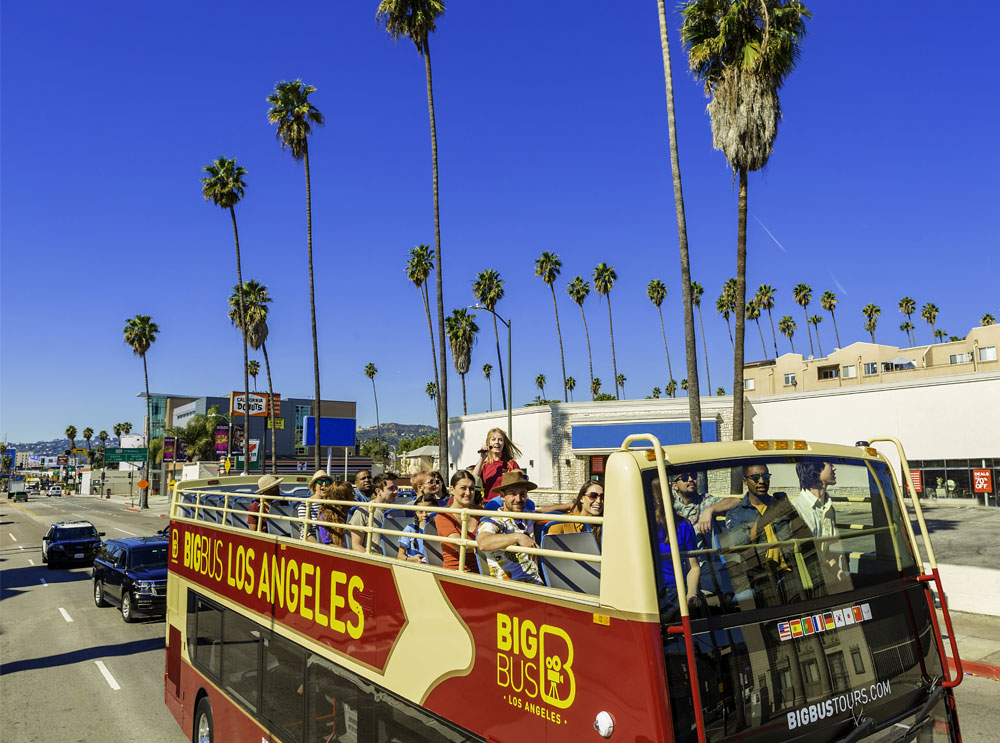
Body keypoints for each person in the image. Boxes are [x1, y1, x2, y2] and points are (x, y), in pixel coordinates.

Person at [477, 470, 544, 584]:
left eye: (522, 494)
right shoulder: (494, 521)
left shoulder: (527, 516)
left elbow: (543, 513)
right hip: (509, 589)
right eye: (513, 494)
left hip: (536, 584)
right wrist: (517, 537)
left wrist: (570, 506)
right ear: (502, 496)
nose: (518, 499)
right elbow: (483, 543)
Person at [651, 478, 701, 620]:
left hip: (673, 591)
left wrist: (690, 594)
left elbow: (693, 567)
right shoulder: (637, 527)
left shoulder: (683, 526)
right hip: (644, 592)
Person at [791, 460, 844, 580]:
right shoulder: (795, 509)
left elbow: (825, 551)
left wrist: (837, 571)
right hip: (805, 579)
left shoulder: (829, 509)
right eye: (830, 464)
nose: (834, 468)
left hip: (824, 575)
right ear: (815, 470)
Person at [670, 472, 740, 538]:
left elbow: (736, 501)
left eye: (693, 475)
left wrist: (709, 510)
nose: (690, 479)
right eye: (684, 477)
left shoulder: (705, 502)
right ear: (675, 486)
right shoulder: (669, 506)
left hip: (703, 550)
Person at [435, 470, 480, 572]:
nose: (468, 493)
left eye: (471, 489)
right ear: (452, 489)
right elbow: (461, 545)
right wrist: (490, 544)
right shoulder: (443, 516)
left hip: (484, 570)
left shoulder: (481, 512)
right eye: (463, 488)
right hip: (457, 572)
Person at [350, 473, 399, 553]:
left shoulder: (399, 510)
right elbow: (356, 545)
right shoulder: (363, 511)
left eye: (396, 488)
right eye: (391, 488)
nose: (396, 491)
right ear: (378, 491)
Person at [547, 481, 604, 547]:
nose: (599, 501)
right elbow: (549, 549)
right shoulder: (562, 523)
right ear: (581, 499)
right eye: (593, 496)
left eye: (602, 497)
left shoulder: (606, 524)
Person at [471, 428, 522, 501]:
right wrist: (482, 458)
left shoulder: (511, 464)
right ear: (489, 443)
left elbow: (520, 485)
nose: (497, 442)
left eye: (500, 440)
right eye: (493, 439)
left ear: (504, 444)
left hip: (506, 504)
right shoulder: (484, 464)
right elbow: (473, 480)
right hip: (488, 504)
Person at [397, 493, 438, 563]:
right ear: (416, 513)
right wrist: (411, 559)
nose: (424, 515)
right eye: (421, 512)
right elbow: (400, 556)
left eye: (428, 511)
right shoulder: (409, 529)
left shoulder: (439, 528)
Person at [299, 470, 332, 541]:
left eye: (327, 481)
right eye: (320, 482)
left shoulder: (331, 503)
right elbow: (305, 532)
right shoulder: (306, 504)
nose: (324, 484)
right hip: (312, 544)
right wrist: (319, 546)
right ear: (314, 486)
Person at [316, 481, 353, 546]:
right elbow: (328, 543)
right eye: (350, 493)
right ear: (342, 497)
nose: (353, 495)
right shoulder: (324, 516)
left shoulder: (353, 511)